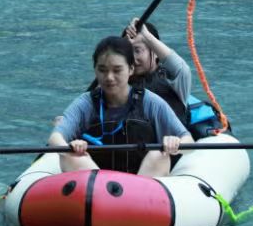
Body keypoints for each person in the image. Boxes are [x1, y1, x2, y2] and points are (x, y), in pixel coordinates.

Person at [49, 36, 190, 178]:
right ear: (95, 70)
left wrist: (175, 143)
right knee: (70, 157)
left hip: (143, 185)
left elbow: (187, 139)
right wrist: (71, 148)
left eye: (117, 70)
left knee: (158, 154)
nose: (109, 77)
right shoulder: (85, 103)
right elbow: (56, 137)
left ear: (130, 69)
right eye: (102, 70)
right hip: (98, 188)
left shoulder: (150, 102)